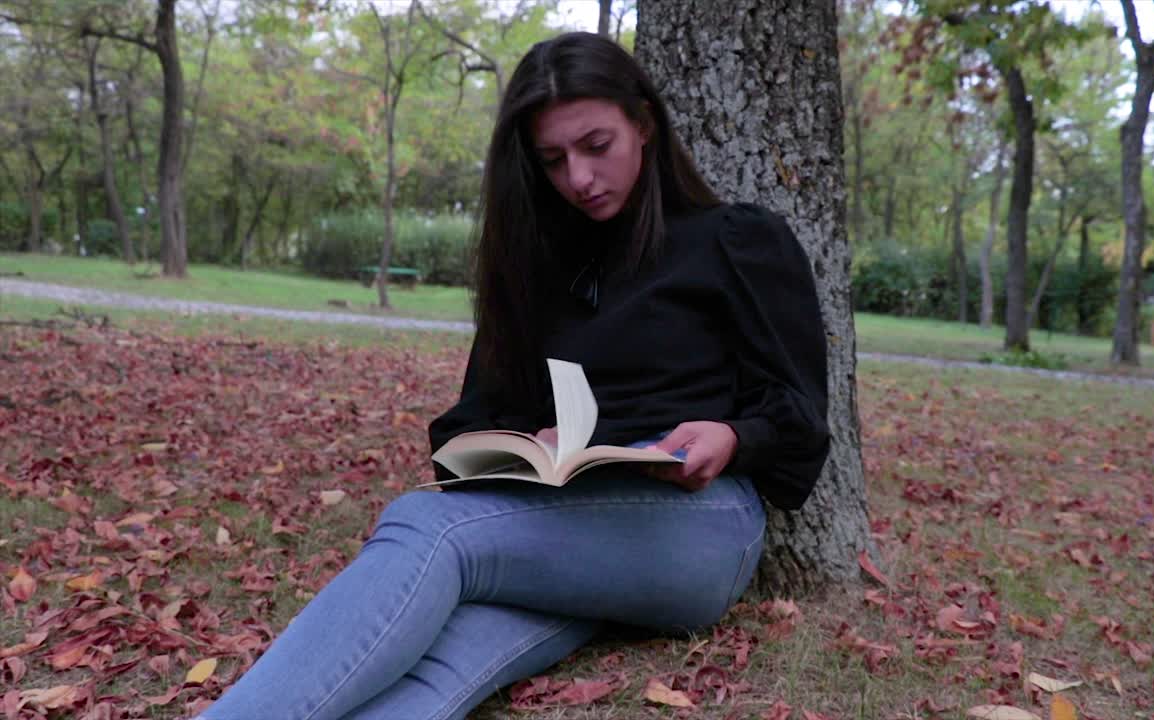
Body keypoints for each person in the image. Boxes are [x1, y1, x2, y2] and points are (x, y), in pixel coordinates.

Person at [196, 31, 829, 720]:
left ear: (643, 124)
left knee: (428, 529)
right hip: (562, 536)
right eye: (553, 160)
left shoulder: (734, 239)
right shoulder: (541, 269)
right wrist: (534, 445)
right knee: (440, 665)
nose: (578, 178)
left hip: (700, 526)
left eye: (596, 146)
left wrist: (732, 436)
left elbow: (800, 418)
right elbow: (465, 428)